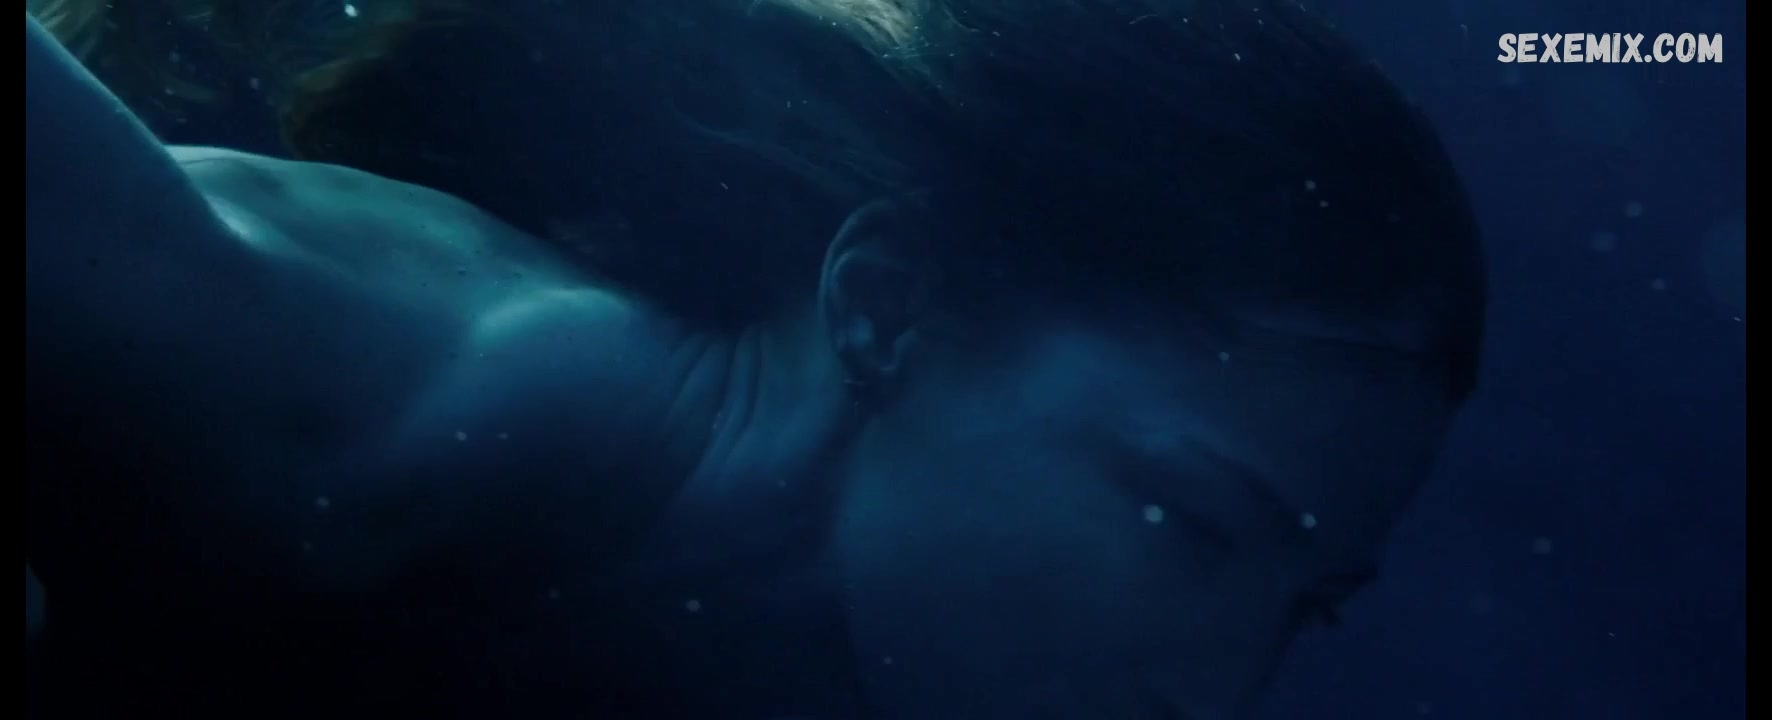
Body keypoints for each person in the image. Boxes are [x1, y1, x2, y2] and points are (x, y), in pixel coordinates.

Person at [24, 0, 1486, 718]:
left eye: (1307, 610)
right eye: (1194, 524)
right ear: (889, 308)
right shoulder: (345, 390)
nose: (1217, 698)